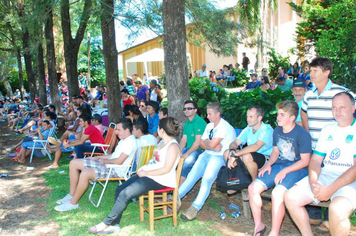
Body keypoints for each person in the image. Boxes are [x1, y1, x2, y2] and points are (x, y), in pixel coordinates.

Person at [87, 117, 181, 234]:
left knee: (125, 194)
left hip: (162, 180)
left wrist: (146, 172)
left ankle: (107, 223)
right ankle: (115, 224)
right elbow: (154, 160)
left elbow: (166, 169)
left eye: (158, 127)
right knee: (120, 189)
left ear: (161, 130)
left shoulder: (173, 146)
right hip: (150, 175)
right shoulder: (162, 142)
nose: (157, 129)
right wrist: (144, 167)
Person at [285, 92, 356, 236]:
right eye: (334, 107)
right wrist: (313, 183)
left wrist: (330, 190)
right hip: (326, 175)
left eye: (343, 107)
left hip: (351, 180)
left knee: (337, 210)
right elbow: (316, 160)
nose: (338, 111)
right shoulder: (328, 129)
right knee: (290, 197)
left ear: (353, 108)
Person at [300, 57, 356, 230]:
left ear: (327, 72)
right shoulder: (309, 94)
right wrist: (308, 135)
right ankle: (316, 217)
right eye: (310, 70)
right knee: (317, 181)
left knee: (335, 185)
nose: (311, 74)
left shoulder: (342, 92)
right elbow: (303, 113)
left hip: (340, 148)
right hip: (318, 148)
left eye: (315, 70)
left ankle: (330, 220)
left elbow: (350, 109)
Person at [248, 100, 312, 236]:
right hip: (279, 165)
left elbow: (306, 161)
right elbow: (276, 152)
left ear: (292, 118)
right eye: (278, 114)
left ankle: (274, 232)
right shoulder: (277, 130)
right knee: (253, 188)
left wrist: (285, 171)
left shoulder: (303, 134)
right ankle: (258, 225)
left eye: (282, 115)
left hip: (297, 168)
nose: (278, 117)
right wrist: (268, 164)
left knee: (277, 193)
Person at [54, 118, 138, 212]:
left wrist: (104, 161)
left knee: (85, 173)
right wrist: (97, 158)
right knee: (73, 163)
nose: (116, 132)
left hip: (115, 170)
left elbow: (119, 161)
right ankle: (71, 194)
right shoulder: (124, 140)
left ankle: (73, 203)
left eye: (118, 129)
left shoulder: (130, 142)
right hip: (109, 165)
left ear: (127, 130)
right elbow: (114, 156)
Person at [179, 102, 236, 221]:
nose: (207, 116)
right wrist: (211, 145)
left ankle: (195, 207)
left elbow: (207, 143)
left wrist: (208, 144)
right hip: (207, 154)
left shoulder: (224, 127)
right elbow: (201, 143)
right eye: (207, 114)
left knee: (206, 179)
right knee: (192, 176)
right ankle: (175, 198)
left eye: (210, 114)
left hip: (219, 156)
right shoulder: (210, 126)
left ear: (218, 114)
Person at [223, 106, 273, 192]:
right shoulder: (248, 129)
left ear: (259, 118)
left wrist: (236, 154)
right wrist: (232, 152)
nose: (247, 119)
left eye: (251, 117)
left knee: (246, 156)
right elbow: (234, 143)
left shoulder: (267, 130)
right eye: (247, 116)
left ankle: (254, 185)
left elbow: (255, 146)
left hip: (266, 159)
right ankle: (236, 181)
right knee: (227, 152)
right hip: (251, 156)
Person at [179, 100, 207, 186]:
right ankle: (173, 187)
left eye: (189, 108)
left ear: (195, 110)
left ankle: (178, 191)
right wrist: (178, 152)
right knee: (175, 160)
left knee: (186, 164)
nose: (186, 110)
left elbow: (198, 142)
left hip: (200, 150)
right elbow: (184, 140)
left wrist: (187, 153)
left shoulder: (199, 122)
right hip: (190, 149)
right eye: (185, 109)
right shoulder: (187, 123)